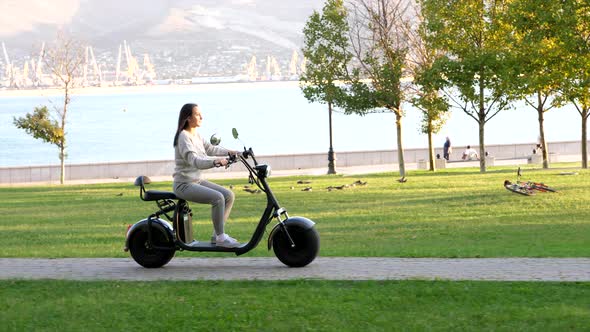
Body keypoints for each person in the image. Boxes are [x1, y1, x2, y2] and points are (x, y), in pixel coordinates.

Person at [172, 103, 241, 248]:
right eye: (197, 114)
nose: (201, 117)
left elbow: (210, 148)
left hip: (197, 180)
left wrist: (232, 152)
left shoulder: (195, 134)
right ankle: (221, 238)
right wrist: (216, 162)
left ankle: (217, 235)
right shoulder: (184, 137)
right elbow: (195, 161)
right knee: (217, 198)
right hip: (184, 184)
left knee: (228, 195)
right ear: (188, 118)